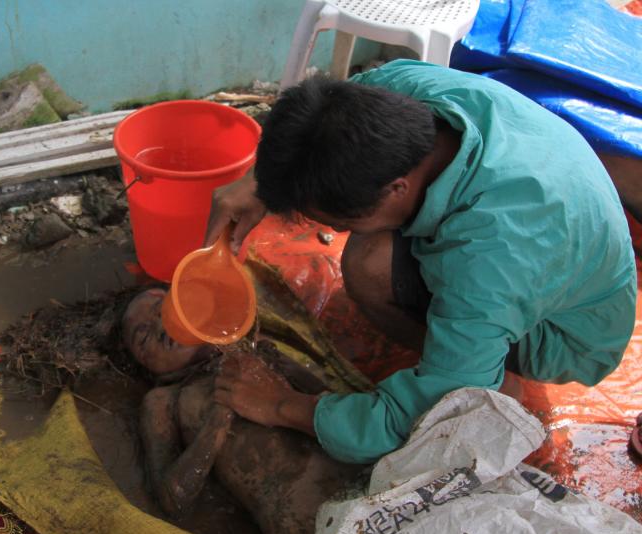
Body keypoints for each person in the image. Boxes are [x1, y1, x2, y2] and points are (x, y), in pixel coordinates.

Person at [205, 60, 637, 464]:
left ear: (396, 188)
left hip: (566, 332)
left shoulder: (490, 259)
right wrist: (260, 181)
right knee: (372, 248)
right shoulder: (398, 90)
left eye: (337, 222)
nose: (333, 232)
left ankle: (483, 375)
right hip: (542, 235)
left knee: (368, 266)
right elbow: (320, 118)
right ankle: (464, 356)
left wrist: (285, 406)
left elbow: (435, 413)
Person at [123, 288, 364, 534]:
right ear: (148, 371)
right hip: (304, 524)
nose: (162, 326)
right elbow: (172, 500)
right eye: (144, 337)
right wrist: (219, 417)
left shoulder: (254, 351)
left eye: (163, 310)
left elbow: (338, 408)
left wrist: (288, 371)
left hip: (365, 481)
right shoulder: (165, 400)